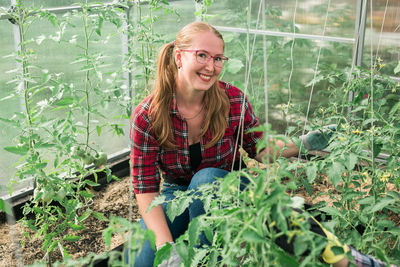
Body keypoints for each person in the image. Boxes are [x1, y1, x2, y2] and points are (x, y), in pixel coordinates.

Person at [129, 21, 394, 267]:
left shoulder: (231, 99)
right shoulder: (148, 116)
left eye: (218, 58)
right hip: (177, 194)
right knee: (142, 257)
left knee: (206, 180)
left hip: (227, 187)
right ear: (179, 56)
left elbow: (262, 150)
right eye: (202, 55)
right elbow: (146, 189)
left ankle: (209, 260)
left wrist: (304, 142)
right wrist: (167, 249)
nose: (211, 66)